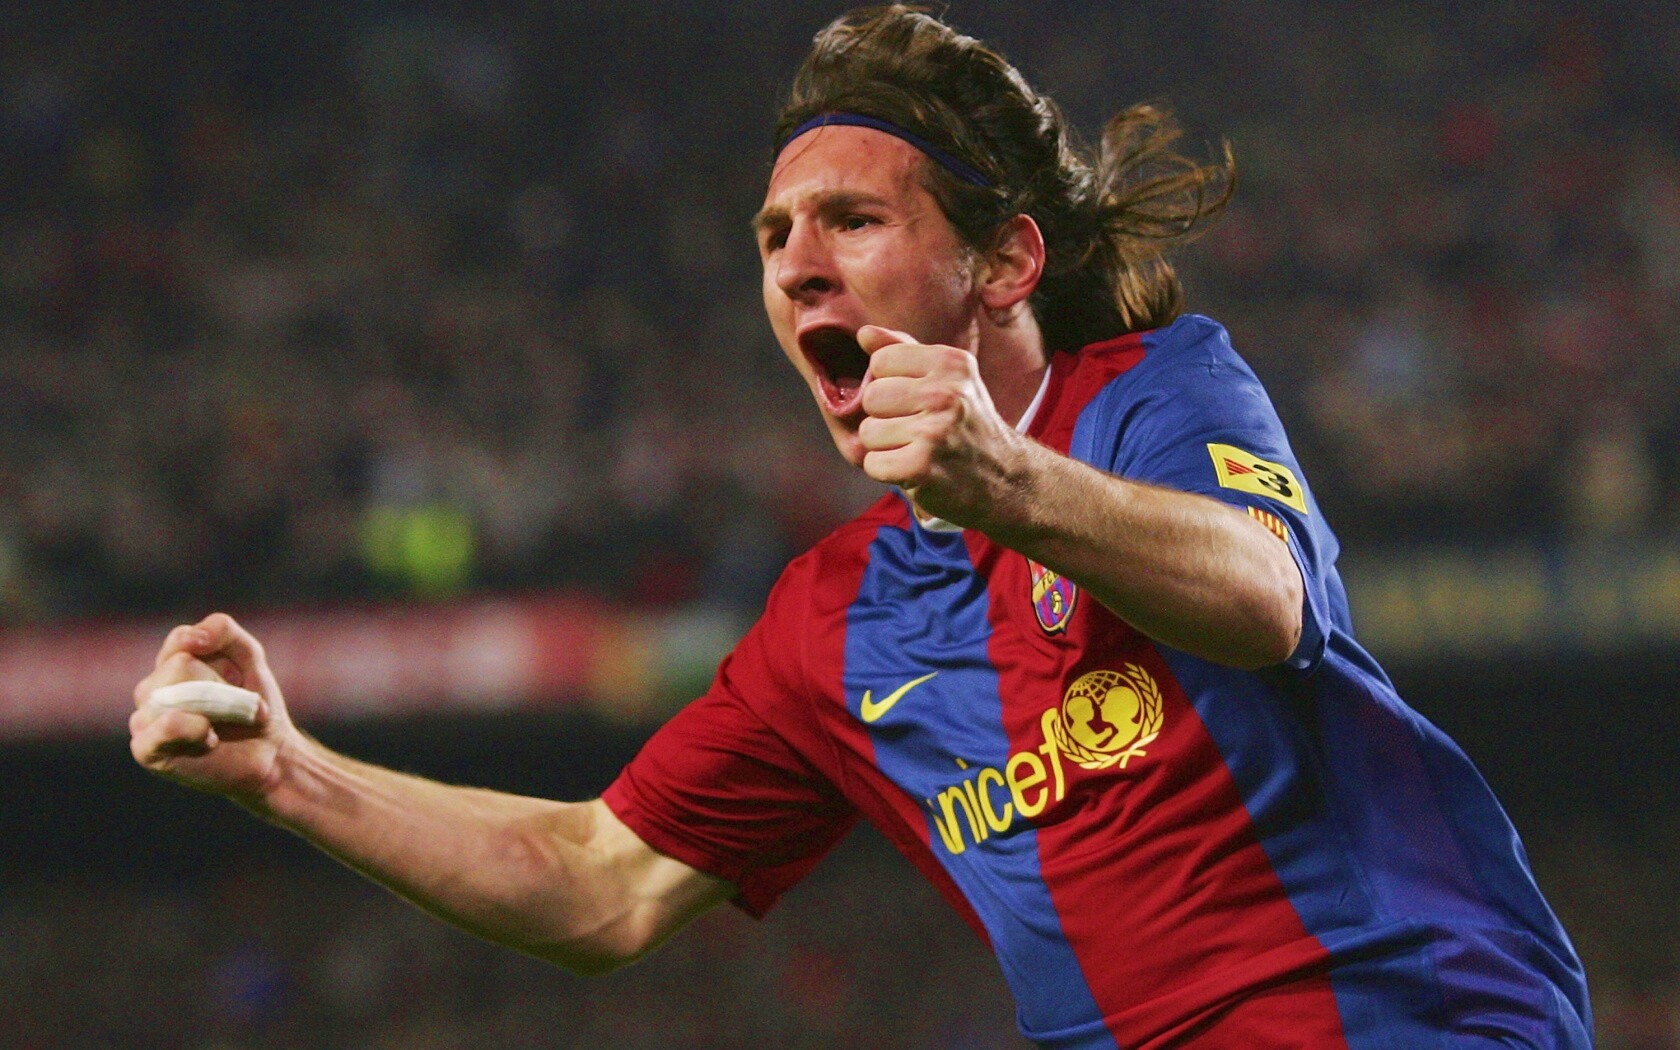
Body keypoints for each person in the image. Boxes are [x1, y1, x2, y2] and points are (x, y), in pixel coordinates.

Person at [130, 6, 1591, 1047]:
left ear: (1004, 261)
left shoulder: (1153, 395)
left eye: (851, 220)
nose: (797, 267)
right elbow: (597, 882)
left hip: (1411, 1015)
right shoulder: (834, 623)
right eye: (774, 237)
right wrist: (290, 774)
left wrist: (1006, 486)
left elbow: (1265, 596)